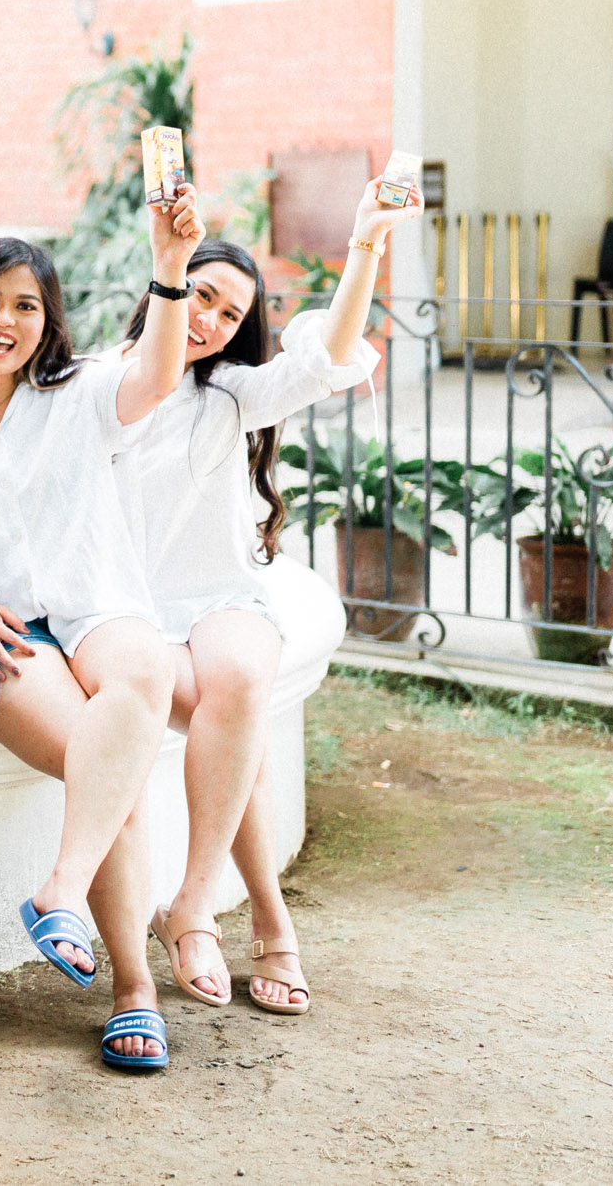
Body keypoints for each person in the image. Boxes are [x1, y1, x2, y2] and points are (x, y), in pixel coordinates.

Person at [0, 189, 201, 1075]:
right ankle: (134, 988)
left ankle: (61, 889)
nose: (5, 319)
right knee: (111, 769)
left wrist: (171, 266)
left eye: (26, 305)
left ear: (48, 321)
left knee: (143, 674)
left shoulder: (79, 391)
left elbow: (157, 377)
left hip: (92, 606)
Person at [118, 180, 414, 1017]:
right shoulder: (101, 384)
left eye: (230, 314)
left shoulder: (231, 395)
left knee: (242, 678)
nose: (211, 321)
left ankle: (193, 903)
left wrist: (365, 241)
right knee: (233, 721)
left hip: (219, 599)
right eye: (202, 295)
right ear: (167, 281)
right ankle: (271, 916)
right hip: (129, 613)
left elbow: (327, 357)